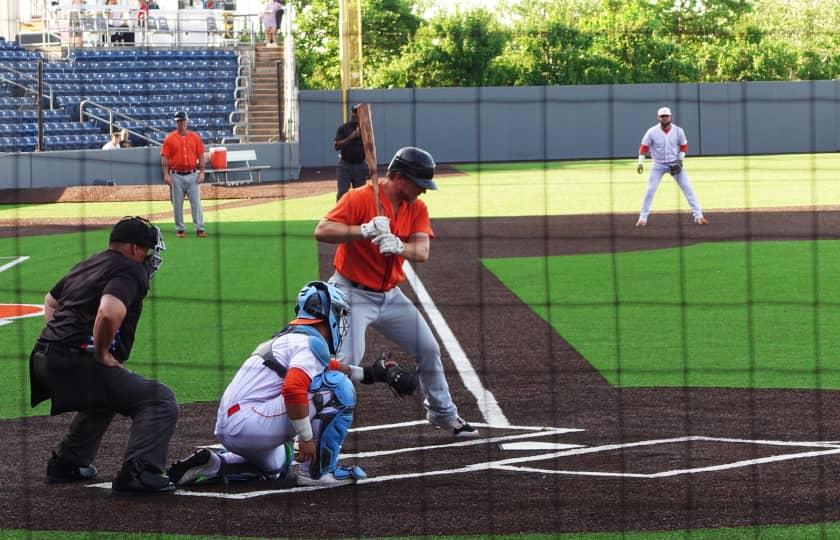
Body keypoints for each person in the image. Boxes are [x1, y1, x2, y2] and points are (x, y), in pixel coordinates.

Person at [314, 147, 479, 438]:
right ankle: (315, 425)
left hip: (389, 296)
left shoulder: (417, 208)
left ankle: (443, 413)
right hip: (350, 292)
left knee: (428, 348)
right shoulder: (360, 198)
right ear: (400, 178)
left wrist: (399, 246)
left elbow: (422, 251)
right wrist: (362, 231)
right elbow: (322, 230)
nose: (423, 192)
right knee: (348, 357)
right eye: (420, 185)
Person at [167, 281, 369, 488]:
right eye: (339, 313)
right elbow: (293, 388)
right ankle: (318, 472)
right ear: (327, 313)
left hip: (233, 425)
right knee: (338, 388)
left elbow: (326, 366)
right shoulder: (311, 343)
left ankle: (215, 463)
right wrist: (306, 438)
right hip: (250, 423)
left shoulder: (291, 339)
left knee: (278, 465)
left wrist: (368, 373)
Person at [29, 216, 178, 494]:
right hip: (74, 361)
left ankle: (68, 462)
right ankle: (139, 472)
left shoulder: (92, 262)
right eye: (146, 250)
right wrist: (100, 353)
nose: (149, 258)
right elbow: (109, 311)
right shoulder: (130, 270)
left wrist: (58, 337)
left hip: (42, 359)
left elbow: (51, 300)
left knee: (105, 395)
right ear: (134, 248)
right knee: (160, 400)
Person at [635, 106, 708, 227]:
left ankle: (699, 216)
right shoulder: (652, 131)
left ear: (670, 117)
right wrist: (640, 162)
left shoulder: (678, 131)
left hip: (675, 163)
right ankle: (642, 218)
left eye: (666, 116)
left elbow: (684, 146)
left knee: (688, 189)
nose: (665, 118)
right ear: (658, 117)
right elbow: (644, 147)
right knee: (650, 190)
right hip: (658, 164)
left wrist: (680, 160)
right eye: (662, 116)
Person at [160, 111, 207, 238]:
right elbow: (165, 158)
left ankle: (199, 228)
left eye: (183, 120)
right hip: (176, 175)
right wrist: (166, 174)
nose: (181, 123)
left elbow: (201, 155)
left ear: (187, 121)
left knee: (196, 203)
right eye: (179, 121)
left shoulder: (195, 137)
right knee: (177, 204)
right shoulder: (169, 138)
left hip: (192, 174)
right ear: (176, 122)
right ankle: (180, 229)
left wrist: (202, 172)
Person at [333, 104, 369, 201]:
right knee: (343, 193)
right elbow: (336, 146)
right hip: (345, 165)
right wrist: (351, 137)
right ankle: (339, 215)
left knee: (361, 194)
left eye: (358, 113)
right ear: (351, 113)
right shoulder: (344, 128)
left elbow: (369, 148)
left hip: (360, 165)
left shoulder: (366, 129)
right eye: (354, 112)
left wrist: (369, 165)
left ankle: (360, 215)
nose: (355, 115)